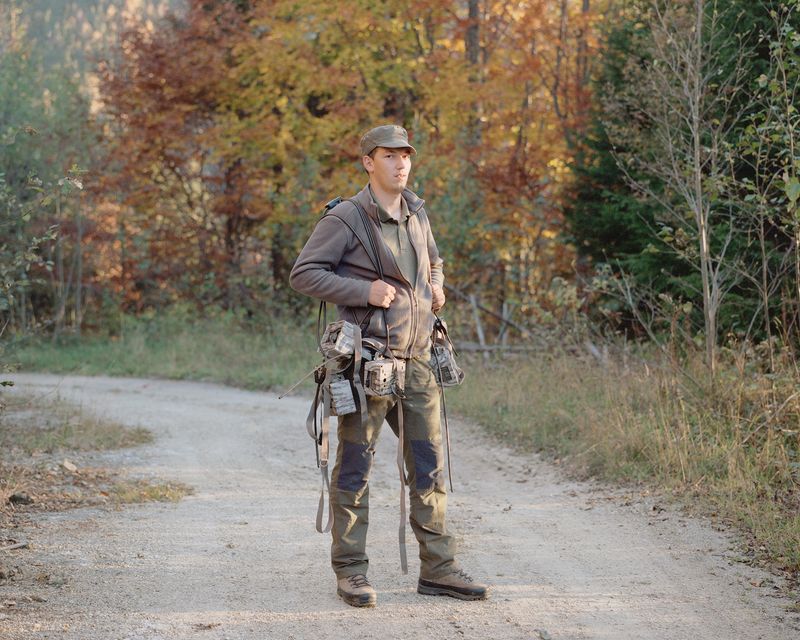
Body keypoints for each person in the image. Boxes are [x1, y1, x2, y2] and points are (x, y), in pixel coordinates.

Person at [289, 124, 488, 608]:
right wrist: (364, 291)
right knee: (355, 469)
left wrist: (437, 285)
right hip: (368, 363)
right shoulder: (346, 218)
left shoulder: (417, 210)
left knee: (430, 468)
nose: (401, 164)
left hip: (419, 360)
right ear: (368, 162)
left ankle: (439, 570)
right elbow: (304, 273)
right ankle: (351, 572)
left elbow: (434, 260)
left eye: (406, 156)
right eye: (389, 156)